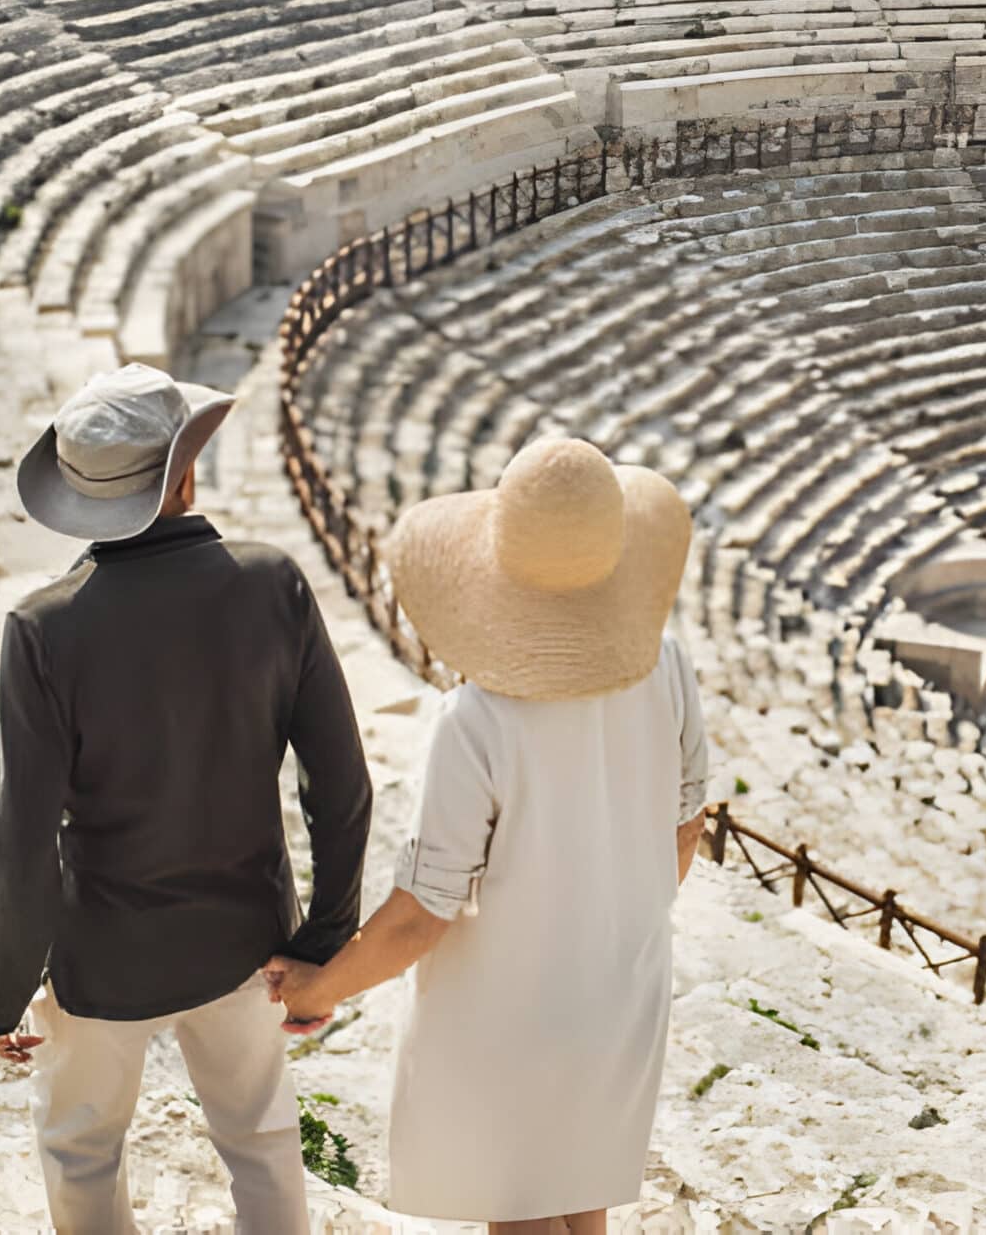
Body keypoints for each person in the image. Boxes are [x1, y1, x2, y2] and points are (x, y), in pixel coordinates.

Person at [266, 436, 709, 1235]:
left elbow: (419, 914)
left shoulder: (479, 720)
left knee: (522, 1215)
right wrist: (614, 927)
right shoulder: (666, 662)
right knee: (581, 1204)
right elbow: (686, 825)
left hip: (511, 1010)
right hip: (622, 984)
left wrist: (314, 990)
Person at [0, 363, 372, 1235]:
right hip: (247, 942)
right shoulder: (273, 582)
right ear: (182, 475)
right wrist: (324, 946)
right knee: (263, 1140)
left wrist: (0, 988)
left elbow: (23, 838)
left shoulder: (44, 628)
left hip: (101, 954)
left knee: (82, 1149)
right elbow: (340, 787)